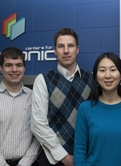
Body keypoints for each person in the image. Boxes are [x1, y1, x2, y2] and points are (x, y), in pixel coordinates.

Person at [31, 28, 92, 166]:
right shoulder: (43, 79)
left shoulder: (92, 80)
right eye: (61, 46)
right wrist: (64, 157)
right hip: (53, 158)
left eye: (70, 46)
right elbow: (38, 124)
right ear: (55, 50)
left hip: (86, 156)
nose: (66, 51)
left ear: (77, 49)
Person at [74, 52, 121, 166]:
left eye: (113, 70)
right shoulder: (85, 109)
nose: (108, 75)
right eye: (102, 70)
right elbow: (79, 151)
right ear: (96, 77)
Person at [0, 47, 41, 166]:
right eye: (9, 65)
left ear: (24, 68)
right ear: (1, 68)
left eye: (19, 65)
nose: (14, 69)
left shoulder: (35, 98)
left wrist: (25, 163)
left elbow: (40, 135)